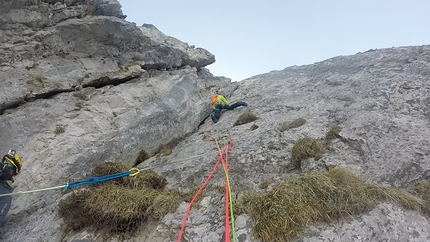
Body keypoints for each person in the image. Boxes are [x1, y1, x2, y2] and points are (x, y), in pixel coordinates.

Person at [0, 150, 23, 224]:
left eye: (9, 165)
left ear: (13, 173)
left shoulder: (6, 197)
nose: (5, 166)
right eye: (4, 162)